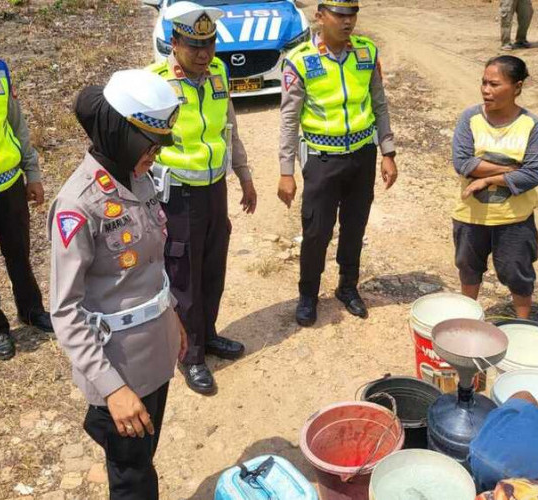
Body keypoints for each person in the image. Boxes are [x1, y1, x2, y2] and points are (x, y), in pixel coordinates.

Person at [49, 69, 187, 500]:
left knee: (143, 459)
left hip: (156, 353)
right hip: (119, 369)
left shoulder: (139, 176)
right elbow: (65, 311)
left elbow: (149, 265)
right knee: (132, 483)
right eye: (148, 141)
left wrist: (173, 318)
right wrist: (113, 389)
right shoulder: (79, 204)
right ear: (118, 131)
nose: (156, 153)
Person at [147, 1, 257, 394]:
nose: (203, 53)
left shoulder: (219, 73)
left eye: (209, 44)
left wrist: (244, 175)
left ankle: (207, 335)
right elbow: (142, 143)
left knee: (213, 268)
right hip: (177, 195)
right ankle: (189, 356)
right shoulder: (156, 82)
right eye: (194, 45)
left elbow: (230, 127)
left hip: (214, 190)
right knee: (184, 279)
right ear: (174, 42)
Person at [278, 0, 398, 327]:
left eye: (352, 14)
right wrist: (286, 172)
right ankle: (308, 294)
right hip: (322, 159)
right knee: (316, 230)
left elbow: (380, 104)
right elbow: (289, 121)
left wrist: (388, 151)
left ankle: (348, 286)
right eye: (339, 15)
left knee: (354, 225)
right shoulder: (300, 61)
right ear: (320, 16)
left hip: (362, 156)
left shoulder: (366, 53)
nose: (347, 22)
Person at [452, 56, 538, 319]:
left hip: (514, 217)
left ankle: (523, 323)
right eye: (483, 83)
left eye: (494, 84)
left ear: (517, 87)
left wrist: (486, 178)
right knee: (468, 267)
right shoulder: (470, 118)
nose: (486, 90)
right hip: (470, 214)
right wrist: (509, 169)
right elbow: (462, 163)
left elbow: (534, 173)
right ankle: (468, 316)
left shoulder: (531, 125)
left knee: (517, 271)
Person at [0, 54, 53, 361]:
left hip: (11, 185)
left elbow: (17, 124)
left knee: (19, 253)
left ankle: (31, 310)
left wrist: (33, 174)